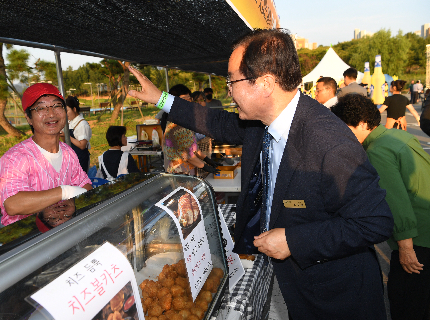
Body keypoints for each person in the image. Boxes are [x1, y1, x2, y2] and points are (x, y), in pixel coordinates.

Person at [128, 29, 393, 319]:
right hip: (298, 286)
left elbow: (375, 221)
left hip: (337, 298)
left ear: (265, 83)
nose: (228, 89)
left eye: (232, 80)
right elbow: (214, 121)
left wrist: (294, 240)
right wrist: (160, 98)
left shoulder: (328, 140)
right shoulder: (261, 123)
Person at [331, 93, 430, 320]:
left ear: (363, 123)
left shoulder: (377, 151)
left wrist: (405, 248)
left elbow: (396, 202)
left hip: (417, 239)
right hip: (426, 226)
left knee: (406, 303)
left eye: (346, 128)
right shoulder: (397, 136)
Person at [0, 83, 92, 226]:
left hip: (63, 232)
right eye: (41, 108)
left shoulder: (68, 152)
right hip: (28, 239)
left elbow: (86, 187)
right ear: (28, 118)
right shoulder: (17, 157)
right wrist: (64, 192)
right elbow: (13, 204)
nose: (51, 114)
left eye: (57, 106)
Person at [163, 84, 219, 175]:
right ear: (174, 102)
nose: (188, 102)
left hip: (189, 169)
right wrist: (205, 166)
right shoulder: (176, 124)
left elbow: (193, 147)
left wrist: (207, 159)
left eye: (189, 98)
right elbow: (188, 156)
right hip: (179, 172)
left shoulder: (184, 120)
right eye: (184, 99)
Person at [62, 96, 92, 173]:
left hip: (81, 159)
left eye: (67, 111)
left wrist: (67, 136)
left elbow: (82, 145)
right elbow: (65, 141)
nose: (65, 114)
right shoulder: (69, 122)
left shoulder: (82, 124)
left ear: (74, 109)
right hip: (71, 158)